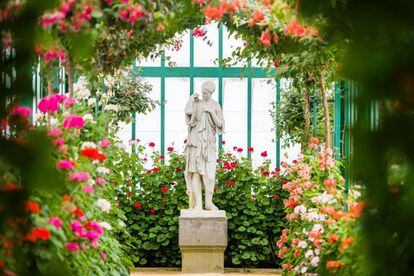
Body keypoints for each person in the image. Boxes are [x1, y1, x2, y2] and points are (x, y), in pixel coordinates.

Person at [184, 81, 224, 211]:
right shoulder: (197, 103)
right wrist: (191, 99)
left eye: (206, 93)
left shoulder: (215, 105)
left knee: (209, 174)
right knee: (195, 172)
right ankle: (198, 205)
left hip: (209, 144)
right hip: (195, 141)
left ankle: (208, 202)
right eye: (202, 92)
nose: (203, 95)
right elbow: (188, 112)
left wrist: (211, 112)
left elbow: (220, 124)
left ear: (211, 93)